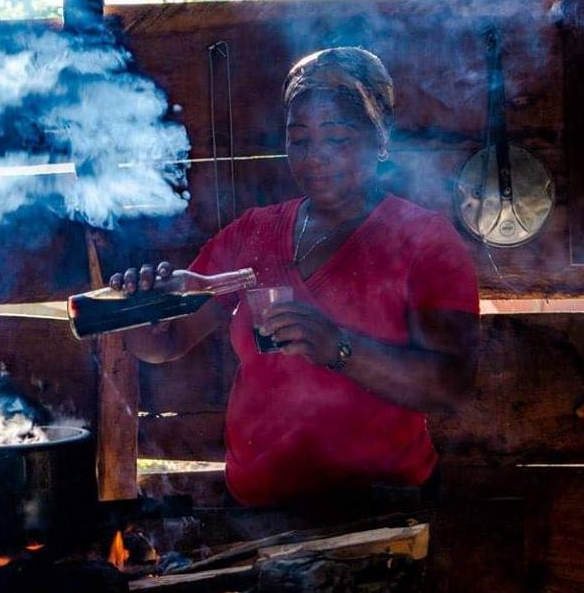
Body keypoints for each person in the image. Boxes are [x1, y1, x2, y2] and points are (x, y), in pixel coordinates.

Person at [113, 47, 480, 507]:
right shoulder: (255, 233)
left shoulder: (424, 241)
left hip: (381, 509)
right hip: (260, 510)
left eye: (336, 138)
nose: (315, 157)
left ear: (381, 139)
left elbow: (451, 386)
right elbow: (165, 345)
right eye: (299, 139)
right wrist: (143, 316)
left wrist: (339, 348)